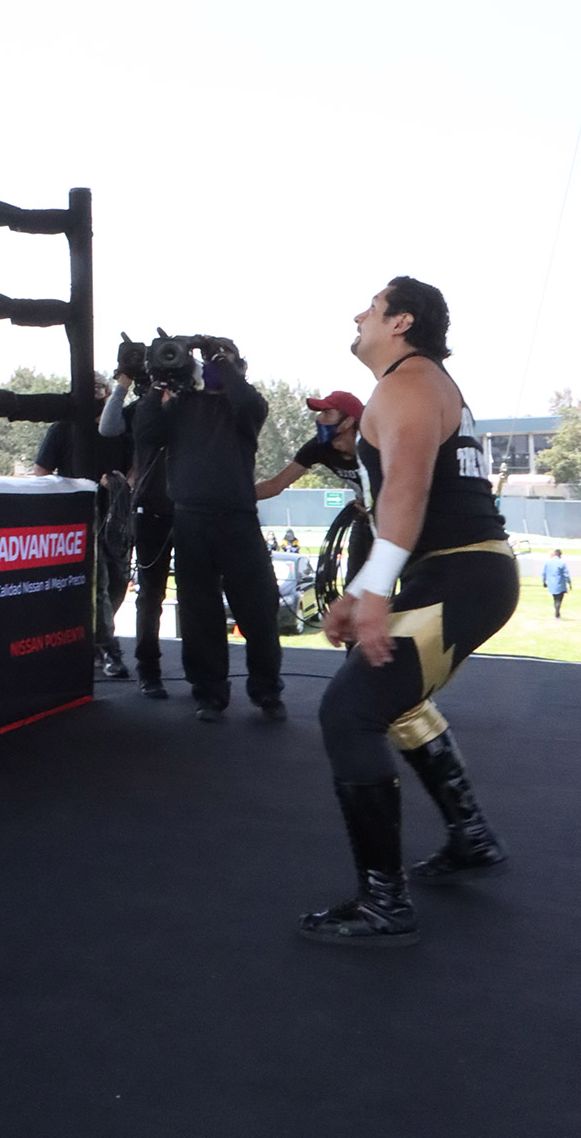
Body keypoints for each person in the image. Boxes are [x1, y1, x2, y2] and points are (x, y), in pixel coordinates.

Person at [301, 277, 520, 948]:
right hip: (453, 572)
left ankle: (384, 903)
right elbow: (402, 502)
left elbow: (407, 491)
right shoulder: (411, 383)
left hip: (466, 574)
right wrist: (366, 588)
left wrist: (372, 592)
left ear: (400, 321)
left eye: (371, 306)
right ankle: (471, 834)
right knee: (394, 698)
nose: (358, 314)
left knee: (351, 710)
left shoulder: (410, 382)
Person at [135, 337, 285, 722]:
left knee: (259, 608)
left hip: (237, 516)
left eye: (224, 365)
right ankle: (210, 693)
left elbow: (248, 400)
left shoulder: (246, 409)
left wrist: (220, 357)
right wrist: (158, 381)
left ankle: (266, 690)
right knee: (199, 612)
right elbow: (146, 431)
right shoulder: (182, 406)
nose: (212, 368)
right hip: (190, 517)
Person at [35, 373, 133, 680]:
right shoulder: (63, 429)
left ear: (107, 393)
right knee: (100, 584)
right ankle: (109, 648)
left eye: (99, 388)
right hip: (81, 517)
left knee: (119, 580)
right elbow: (41, 472)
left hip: (116, 516)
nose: (94, 394)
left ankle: (95, 638)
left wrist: (121, 484)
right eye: (87, 389)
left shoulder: (118, 429)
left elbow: (135, 467)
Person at [100, 349, 175, 700]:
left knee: (197, 593)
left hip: (187, 509)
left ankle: (203, 670)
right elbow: (108, 426)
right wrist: (123, 385)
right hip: (150, 509)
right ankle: (149, 670)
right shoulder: (141, 410)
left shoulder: (189, 407)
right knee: (150, 596)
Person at [257, 390, 372, 581]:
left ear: (348, 421)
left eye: (326, 413)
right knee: (355, 584)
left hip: (396, 516)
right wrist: (232, 496)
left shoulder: (374, 443)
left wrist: (378, 506)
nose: (319, 418)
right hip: (364, 517)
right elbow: (275, 485)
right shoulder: (319, 447)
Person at [543, 549, 571, 618]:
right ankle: (557, 614)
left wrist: (544, 581)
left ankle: (557, 613)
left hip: (551, 585)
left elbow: (544, 573)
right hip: (560, 584)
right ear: (560, 555)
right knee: (558, 600)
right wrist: (569, 583)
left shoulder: (548, 562)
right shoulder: (561, 563)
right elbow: (566, 574)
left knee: (555, 599)